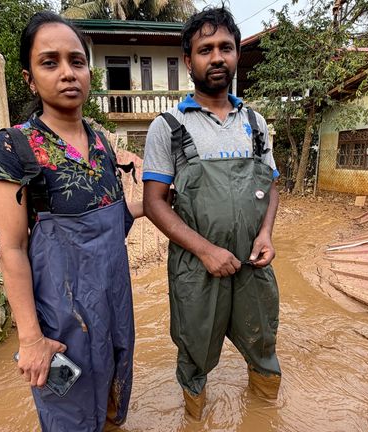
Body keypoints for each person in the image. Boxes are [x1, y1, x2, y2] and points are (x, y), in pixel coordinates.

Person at [0, 11, 140, 431]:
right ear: (30, 79)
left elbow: (112, 222)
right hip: (60, 316)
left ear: (89, 73)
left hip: (114, 305)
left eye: (77, 61)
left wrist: (150, 200)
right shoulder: (15, 148)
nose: (68, 73)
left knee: (112, 395)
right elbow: (13, 247)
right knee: (69, 412)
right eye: (50, 62)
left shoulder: (102, 142)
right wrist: (31, 338)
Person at [142, 6, 282, 421]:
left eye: (226, 48)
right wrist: (205, 251)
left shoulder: (256, 123)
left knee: (263, 342)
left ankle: (266, 416)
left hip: (253, 262)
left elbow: (271, 186)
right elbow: (154, 203)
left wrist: (266, 234)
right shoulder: (167, 127)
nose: (217, 57)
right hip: (196, 267)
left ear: (236, 54)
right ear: (189, 61)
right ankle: (195, 418)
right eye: (206, 49)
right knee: (194, 351)